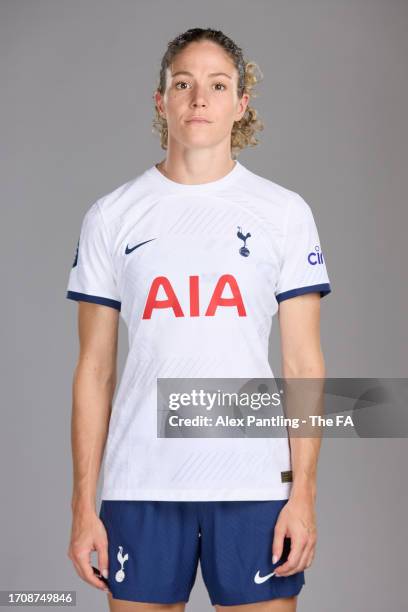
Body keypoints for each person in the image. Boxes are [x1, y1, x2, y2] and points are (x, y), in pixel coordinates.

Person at [66, 27, 332, 612]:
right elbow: (94, 371)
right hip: (141, 485)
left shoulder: (283, 213)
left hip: (257, 485)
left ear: (241, 104)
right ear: (161, 100)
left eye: (217, 85)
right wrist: (84, 506)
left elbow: (303, 364)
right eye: (182, 84)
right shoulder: (113, 215)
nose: (199, 99)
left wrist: (304, 494)